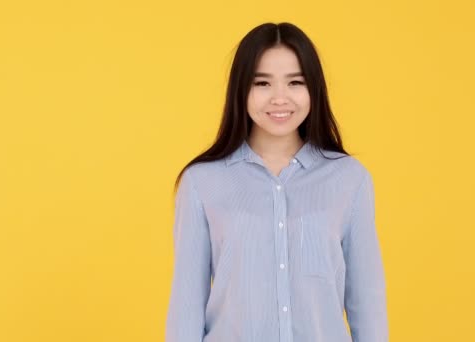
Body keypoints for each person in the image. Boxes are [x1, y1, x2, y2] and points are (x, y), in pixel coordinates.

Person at [166, 22, 388, 342]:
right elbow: (186, 306)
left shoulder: (349, 180)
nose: (280, 98)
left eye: (295, 82)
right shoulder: (202, 182)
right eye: (262, 83)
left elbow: (367, 303)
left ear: (314, 89)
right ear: (241, 89)